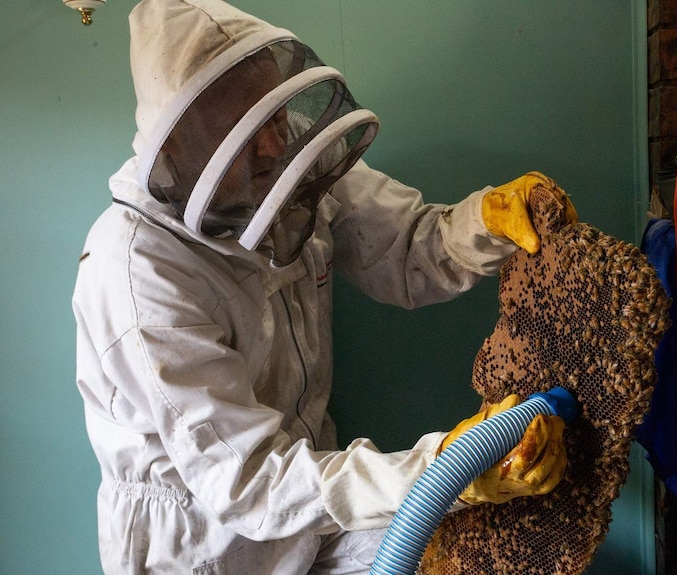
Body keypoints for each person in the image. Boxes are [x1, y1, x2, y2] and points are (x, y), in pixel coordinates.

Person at [72, 1, 578, 573]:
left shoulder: (286, 172)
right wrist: (447, 467)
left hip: (316, 507)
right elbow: (250, 481)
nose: (272, 145)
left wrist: (486, 222)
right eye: (241, 125)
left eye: (272, 113)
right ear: (179, 144)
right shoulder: (140, 272)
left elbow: (409, 245)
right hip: (203, 545)